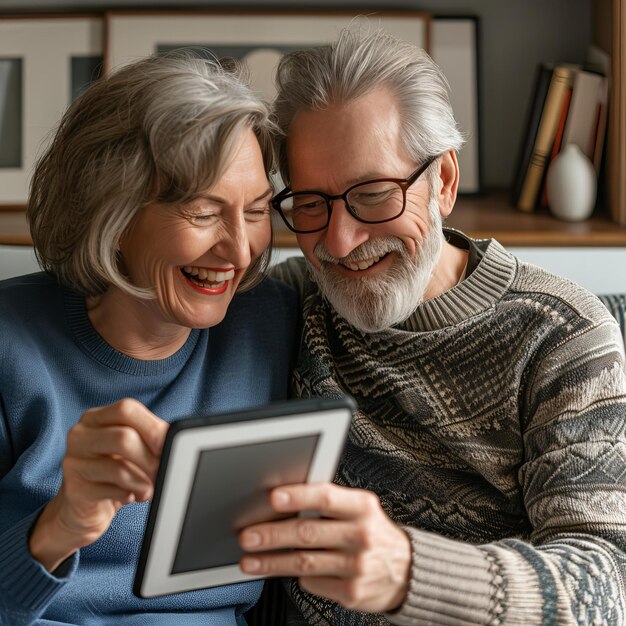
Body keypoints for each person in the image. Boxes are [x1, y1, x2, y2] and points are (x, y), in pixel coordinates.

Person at [236, 27, 626, 625]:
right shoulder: (292, 301)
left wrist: (406, 572)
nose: (338, 244)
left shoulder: (562, 336)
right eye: (311, 205)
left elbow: (604, 586)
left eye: (372, 195)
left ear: (443, 180)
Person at [0, 54, 297, 625]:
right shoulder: (11, 346)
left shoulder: (276, 325)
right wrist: (63, 524)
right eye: (204, 212)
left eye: (256, 211)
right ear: (112, 212)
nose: (239, 252)